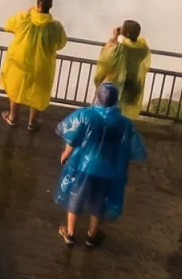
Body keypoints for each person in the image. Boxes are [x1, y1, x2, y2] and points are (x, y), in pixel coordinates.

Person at [52, 81, 148, 247]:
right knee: (99, 201)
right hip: (108, 167)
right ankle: (91, 236)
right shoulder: (123, 122)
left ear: (98, 97)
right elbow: (130, 147)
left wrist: (65, 154)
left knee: (75, 197)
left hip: (84, 165)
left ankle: (70, 233)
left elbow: (72, 138)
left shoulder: (85, 115)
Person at [0, 0, 67, 130]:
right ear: (51, 7)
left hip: (21, 62)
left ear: (38, 4)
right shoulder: (55, 27)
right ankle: (33, 122)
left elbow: (7, 25)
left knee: (16, 87)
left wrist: (29, 12)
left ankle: (12, 117)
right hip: (42, 65)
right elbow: (61, 43)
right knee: (38, 92)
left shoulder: (24, 18)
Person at [94, 20, 152, 118]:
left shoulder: (119, 48)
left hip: (114, 84)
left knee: (104, 112)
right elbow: (133, 45)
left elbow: (105, 59)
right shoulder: (142, 48)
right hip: (131, 85)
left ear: (127, 33)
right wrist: (122, 37)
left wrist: (114, 39)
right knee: (123, 115)